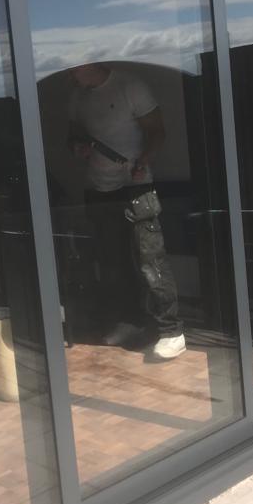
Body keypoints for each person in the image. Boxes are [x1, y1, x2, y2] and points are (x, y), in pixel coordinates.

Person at [68, 62, 186, 360]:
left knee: (150, 259)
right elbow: (74, 135)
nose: (72, 74)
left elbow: (157, 131)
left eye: (75, 68)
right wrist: (78, 147)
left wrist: (144, 160)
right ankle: (131, 322)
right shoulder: (78, 96)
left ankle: (172, 331)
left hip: (136, 185)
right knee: (111, 262)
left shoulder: (130, 87)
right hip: (98, 188)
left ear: (92, 62)